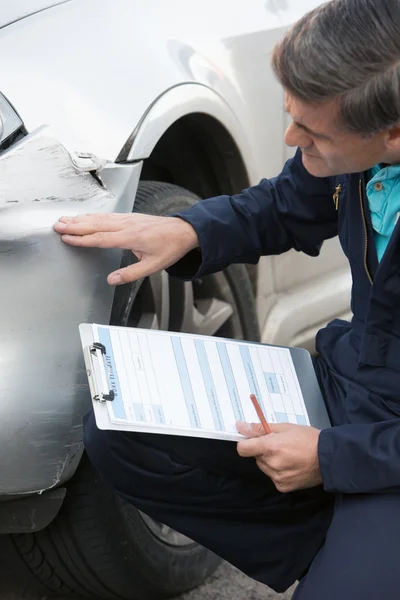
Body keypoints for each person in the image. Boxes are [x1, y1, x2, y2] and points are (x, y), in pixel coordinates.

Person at [54, 1, 400, 598]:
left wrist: (334, 457)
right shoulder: (364, 143)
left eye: (312, 133)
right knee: (122, 434)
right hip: (357, 388)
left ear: (393, 132)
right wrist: (188, 230)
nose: (292, 139)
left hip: (385, 439)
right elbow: (287, 203)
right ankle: (346, 549)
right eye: (290, 117)